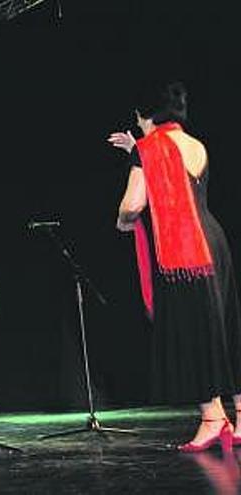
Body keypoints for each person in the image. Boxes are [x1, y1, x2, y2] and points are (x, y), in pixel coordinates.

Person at [109, 81, 241, 452]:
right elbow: (174, 174)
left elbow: (133, 204)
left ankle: (213, 419)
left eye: (138, 117)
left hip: (185, 253)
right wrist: (137, 150)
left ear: (146, 114)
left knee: (196, 331)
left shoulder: (149, 149)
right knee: (224, 325)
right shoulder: (195, 144)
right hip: (215, 242)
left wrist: (122, 220)